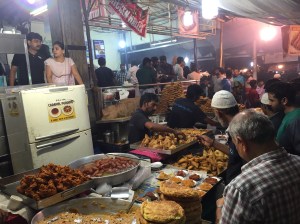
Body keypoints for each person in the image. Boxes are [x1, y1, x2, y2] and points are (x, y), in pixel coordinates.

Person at [219, 110, 300, 224]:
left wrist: (219, 209)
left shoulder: (241, 188)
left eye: (235, 144)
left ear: (241, 142)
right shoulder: (298, 162)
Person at [199, 90, 244, 186]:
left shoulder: (239, 130)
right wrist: (212, 143)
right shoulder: (239, 124)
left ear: (219, 113)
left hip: (239, 184)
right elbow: (235, 152)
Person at [267, 82, 300, 156]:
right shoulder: (287, 115)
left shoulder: (295, 120)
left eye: (272, 100)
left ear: (284, 100)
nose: (269, 103)